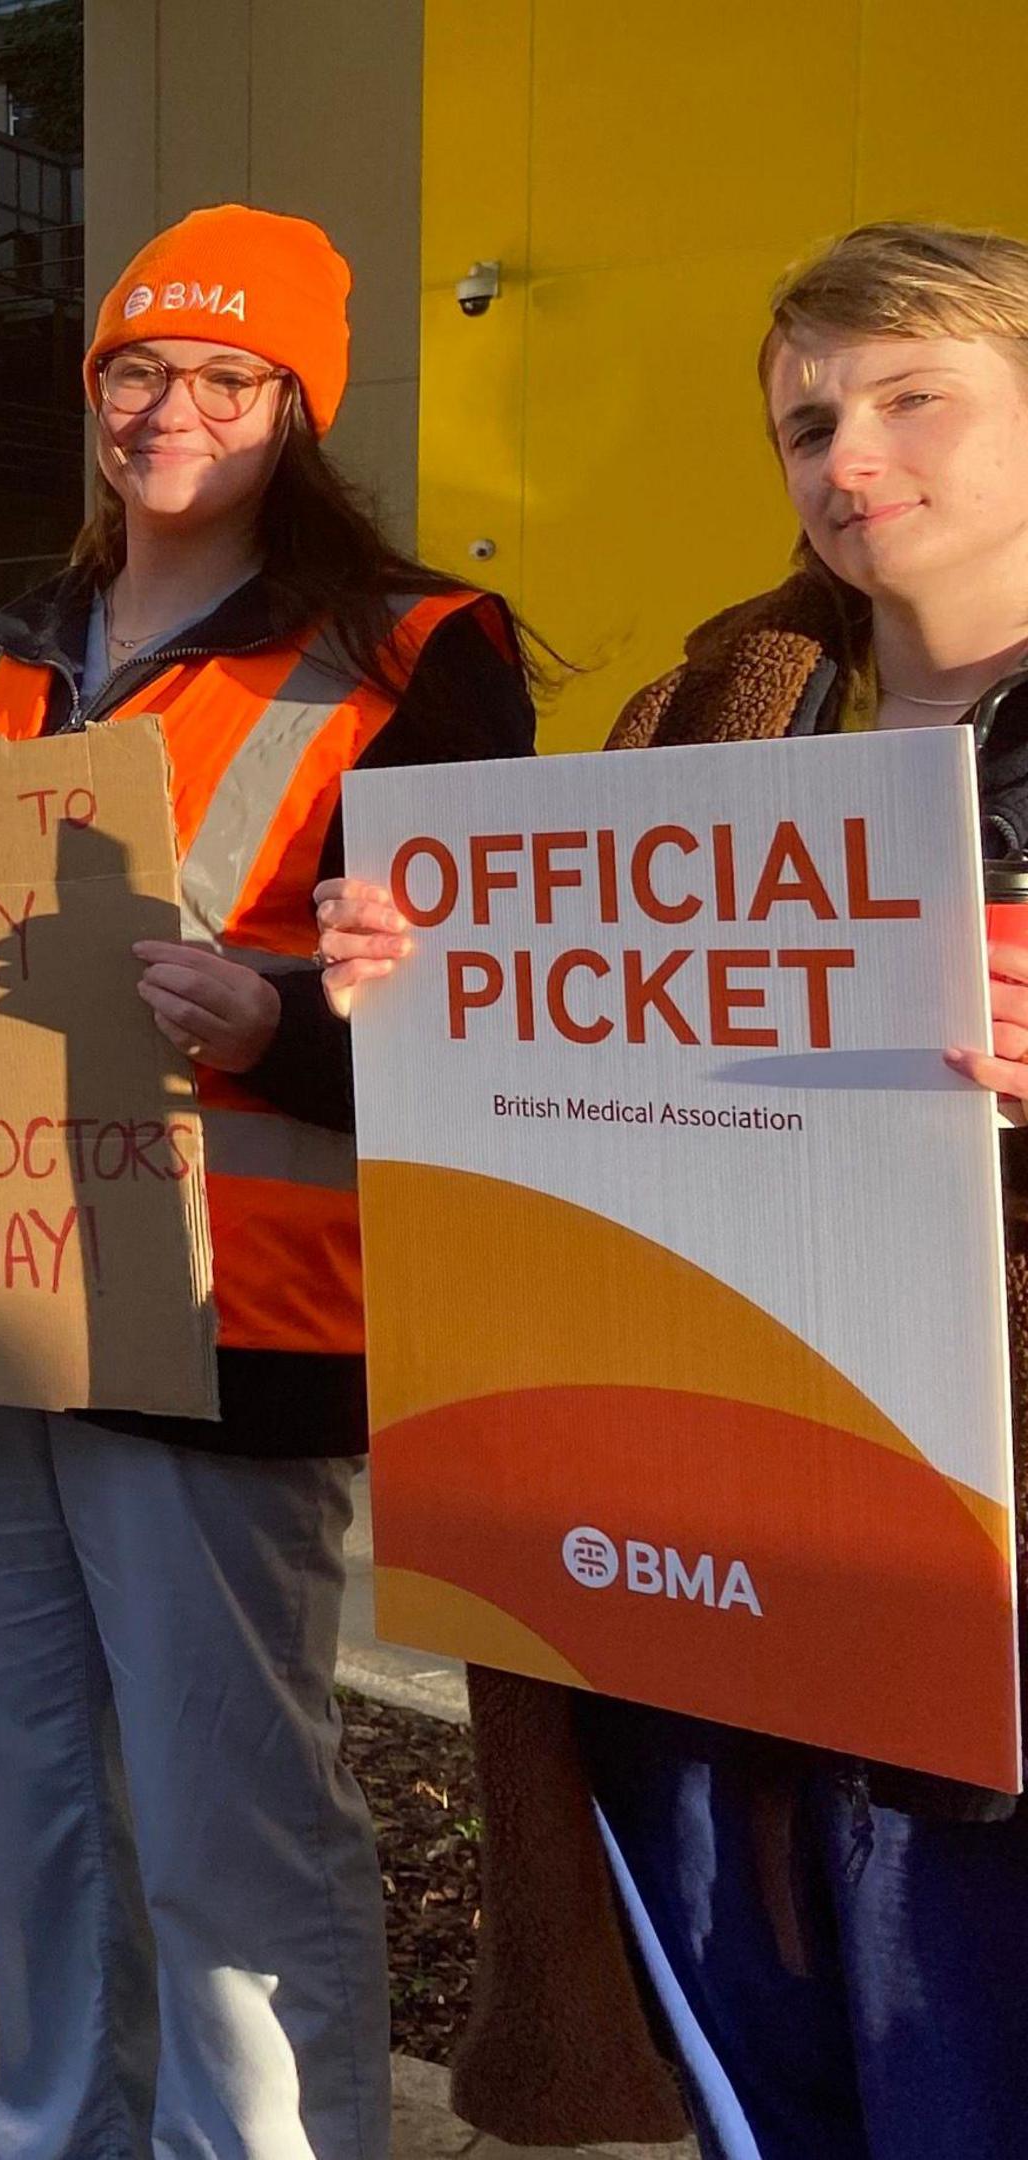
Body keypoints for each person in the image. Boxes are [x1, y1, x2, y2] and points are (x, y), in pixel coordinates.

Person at [0, 208, 539, 2159]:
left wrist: (281, 1027)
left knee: (229, 1841)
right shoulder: (1, 663)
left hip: (230, 1338)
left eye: (224, 374)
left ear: (298, 409)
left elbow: (493, 1022)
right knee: (27, 1813)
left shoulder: (419, 658)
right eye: (134, 370)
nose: (168, 406)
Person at [335, 219, 1028, 2160]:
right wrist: (428, 971)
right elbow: (566, 1075)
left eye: (914, 397)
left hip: (973, 1564)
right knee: (753, 2035)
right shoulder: (713, 702)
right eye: (810, 419)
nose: (849, 452)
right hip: (701, 1518)